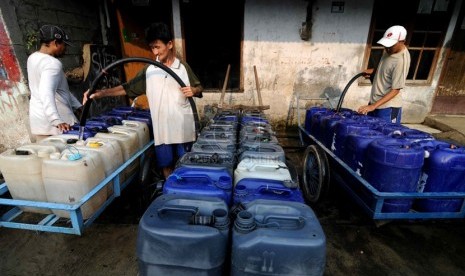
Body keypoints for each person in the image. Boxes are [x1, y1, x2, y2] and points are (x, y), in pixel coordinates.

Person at [83, 22, 203, 179]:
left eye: (158, 47)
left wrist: (193, 90)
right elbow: (127, 88)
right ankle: (170, 190)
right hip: (162, 130)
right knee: (166, 166)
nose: (155, 52)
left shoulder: (183, 68)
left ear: (170, 44)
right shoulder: (150, 70)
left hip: (183, 128)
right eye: (152, 48)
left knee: (186, 164)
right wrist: (100, 93)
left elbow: (199, 88)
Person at [27, 25, 82, 141]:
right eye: (64, 45)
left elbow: (59, 89)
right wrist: (56, 119)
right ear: (55, 43)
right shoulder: (53, 63)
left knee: (47, 158)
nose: (65, 49)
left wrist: (77, 105)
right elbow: (46, 91)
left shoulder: (32, 58)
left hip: (40, 124)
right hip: (60, 127)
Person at [357, 25, 411, 124]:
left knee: (386, 137)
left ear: (402, 42)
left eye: (391, 45)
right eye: (386, 45)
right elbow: (387, 69)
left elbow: (395, 90)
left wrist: (373, 106)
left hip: (387, 109)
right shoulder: (389, 51)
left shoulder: (401, 61)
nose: (387, 48)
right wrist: (374, 71)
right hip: (375, 104)